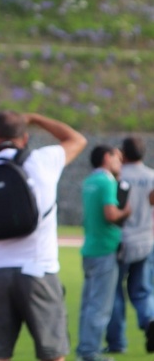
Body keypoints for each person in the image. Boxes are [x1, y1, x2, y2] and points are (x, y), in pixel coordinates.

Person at [0, 110, 87, 361]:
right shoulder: (43, 160)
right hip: (39, 270)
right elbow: (77, 140)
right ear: (24, 138)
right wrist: (36, 118)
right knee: (53, 354)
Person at [76, 145, 132, 361]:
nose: (120, 163)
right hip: (105, 249)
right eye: (117, 158)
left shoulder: (89, 181)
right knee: (100, 305)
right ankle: (90, 351)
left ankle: (85, 348)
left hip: (90, 247)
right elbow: (110, 214)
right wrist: (127, 210)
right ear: (107, 158)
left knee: (89, 304)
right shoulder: (108, 181)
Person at [105, 136, 154, 354]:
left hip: (121, 239)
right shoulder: (151, 176)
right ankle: (150, 320)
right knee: (143, 290)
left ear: (123, 153)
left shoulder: (117, 176)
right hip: (145, 240)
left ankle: (117, 342)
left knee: (114, 293)